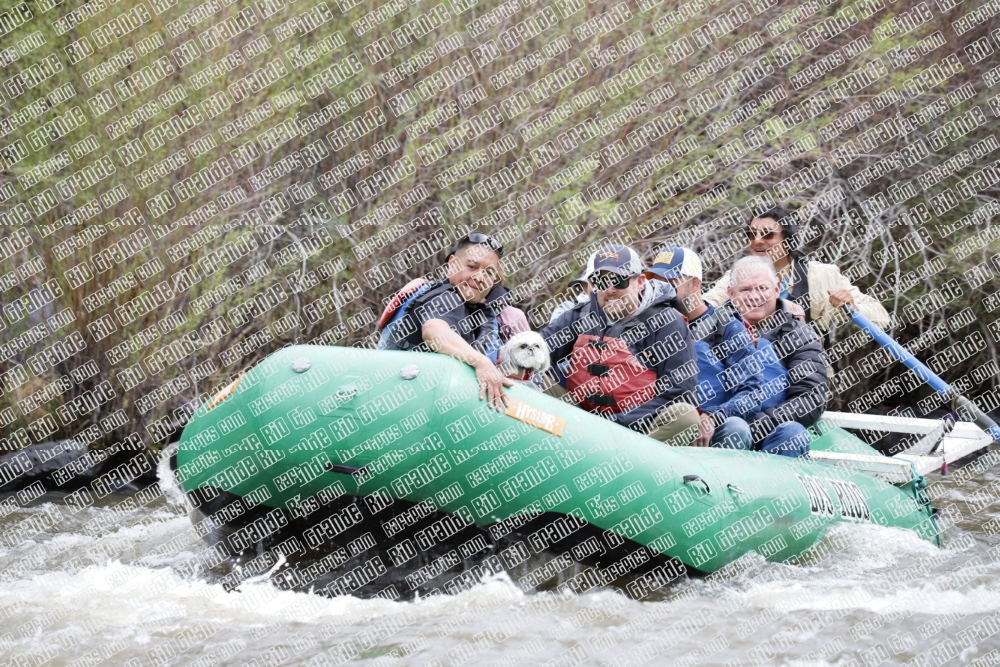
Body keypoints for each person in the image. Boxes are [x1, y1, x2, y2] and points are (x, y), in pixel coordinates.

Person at [540, 244, 701, 446]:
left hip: (636, 430)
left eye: (619, 281)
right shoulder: (580, 314)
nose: (610, 290)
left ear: (640, 282)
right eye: (601, 281)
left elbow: (681, 392)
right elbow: (541, 347)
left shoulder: (668, 322)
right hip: (579, 416)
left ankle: (630, 466)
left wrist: (616, 424)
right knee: (529, 367)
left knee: (685, 416)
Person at [704, 207, 891, 341]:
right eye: (752, 235)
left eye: (768, 234)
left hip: (807, 376)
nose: (757, 241)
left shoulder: (821, 275)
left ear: (787, 240)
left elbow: (882, 317)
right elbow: (705, 308)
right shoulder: (737, 275)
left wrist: (852, 307)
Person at [377, 233, 515, 411]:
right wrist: (482, 363)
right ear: (453, 264)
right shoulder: (447, 299)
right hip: (402, 403)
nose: (480, 277)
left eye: (489, 272)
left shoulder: (468, 308)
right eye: (472, 266)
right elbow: (434, 330)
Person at [644, 247, 761, 450]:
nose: (661, 291)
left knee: (736, 428)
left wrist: (714, 416)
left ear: (695, 283)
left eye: (671, 283)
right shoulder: (647, 325)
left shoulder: (726, 328)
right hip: (663, 421)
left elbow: (752, 392)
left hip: (712, 429)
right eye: (656, 284)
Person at [727, 256, 830, 457]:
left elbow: (810, 398)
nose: (754, 296)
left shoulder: (800, 335)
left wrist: (756, 426)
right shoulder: (711, 331)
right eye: (745, 290)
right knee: (734, 428)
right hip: (726, 429)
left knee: (793, 432)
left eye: (762, 288)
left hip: (773, 430)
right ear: (731, 294)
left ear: (776, 290)